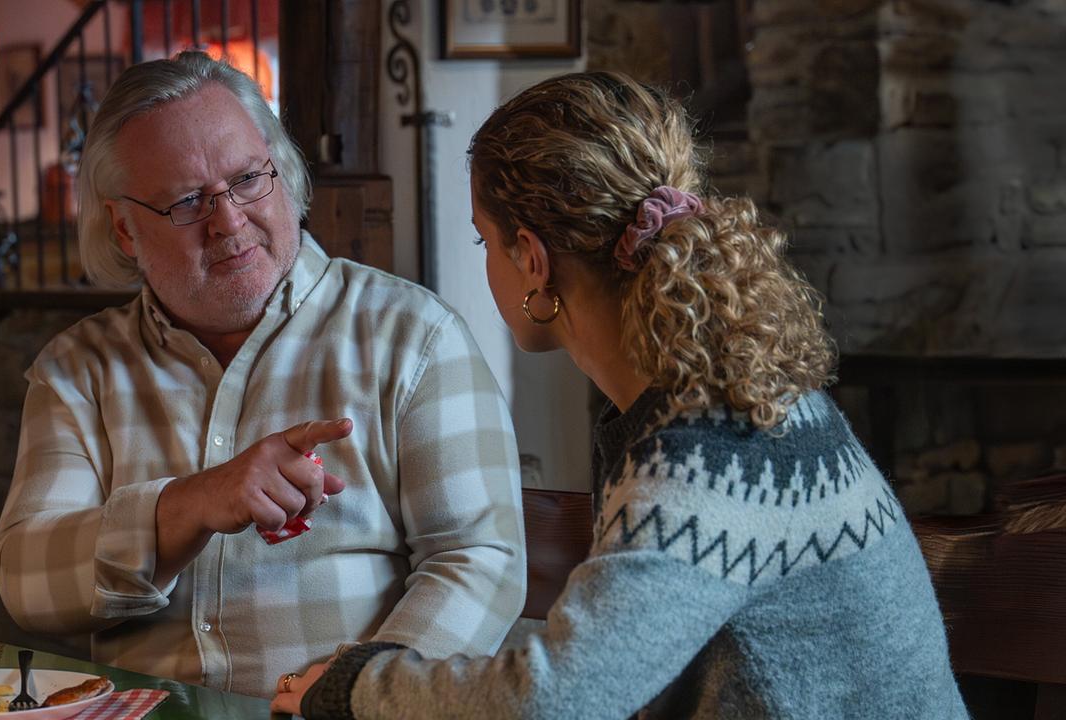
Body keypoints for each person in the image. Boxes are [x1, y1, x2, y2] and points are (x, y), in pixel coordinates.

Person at [272, 71, 968, 719]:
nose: (486, 262)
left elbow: (561, 698)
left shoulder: (706, 460)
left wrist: (353, 685)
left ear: (533, 262)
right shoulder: (741, 398)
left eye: (484, 240)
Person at [0, 51, 526, 699]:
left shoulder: (413, 336)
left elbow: (480, 561)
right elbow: (27, 583)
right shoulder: (79, 370)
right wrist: (187, 505)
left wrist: (360, 692)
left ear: (284, 173)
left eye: (247, 180)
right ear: (124, 229)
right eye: (187, 201)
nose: (230, 222)